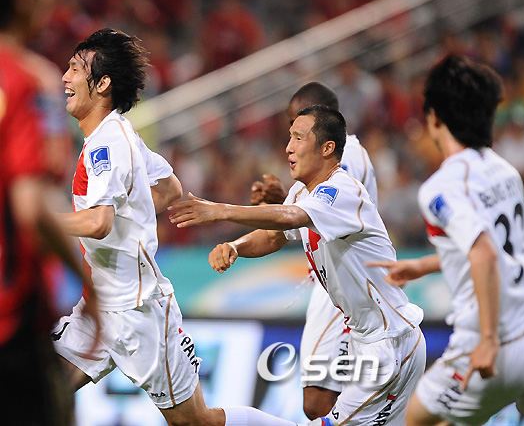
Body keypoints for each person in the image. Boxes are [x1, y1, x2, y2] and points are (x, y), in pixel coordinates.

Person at [54, 27, 315, 426]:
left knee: (196, 422)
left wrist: (33, 221)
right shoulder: (119, 134)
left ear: (102, 83)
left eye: (75, 69)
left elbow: (99, 222)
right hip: (99, 309)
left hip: (138, 314)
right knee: (35, 395)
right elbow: (169, 189)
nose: (65, 78)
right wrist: (134, 213)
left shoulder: (107, 144)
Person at [169, 104, 426, 425]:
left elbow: (292, 217)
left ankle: (216, 421)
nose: (288, 147)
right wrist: (235, 247)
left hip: (389, 342)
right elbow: (273, 236)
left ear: (327, 148)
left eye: (298, 138)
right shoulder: (303, 192)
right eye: (289, 137)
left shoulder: (341, 190)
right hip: (373, 340)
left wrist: (222, 211)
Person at [368, 54, 524, 425]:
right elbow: (501, 248)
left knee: (415, 419)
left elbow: (484, 254)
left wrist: (489, 340)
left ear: (434, 118)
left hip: (494, 343)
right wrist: (424, 264)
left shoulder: (440, 188)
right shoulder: (504, 169)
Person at [250, 81, 379, 420]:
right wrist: (280, 201)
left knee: (319, 400)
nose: (291, 140)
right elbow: (303, 214)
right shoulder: (331, 164)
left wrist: (221, 212)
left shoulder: (348, 158)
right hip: (332, 281)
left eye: (299, 128)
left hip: (347, 287)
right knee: (324, 400)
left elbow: (320, 207)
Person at [0, 0, 100, 425]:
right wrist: (89, 285)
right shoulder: (28, 80)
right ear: (22, 0)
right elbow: (30, 206)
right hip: (12, 313)